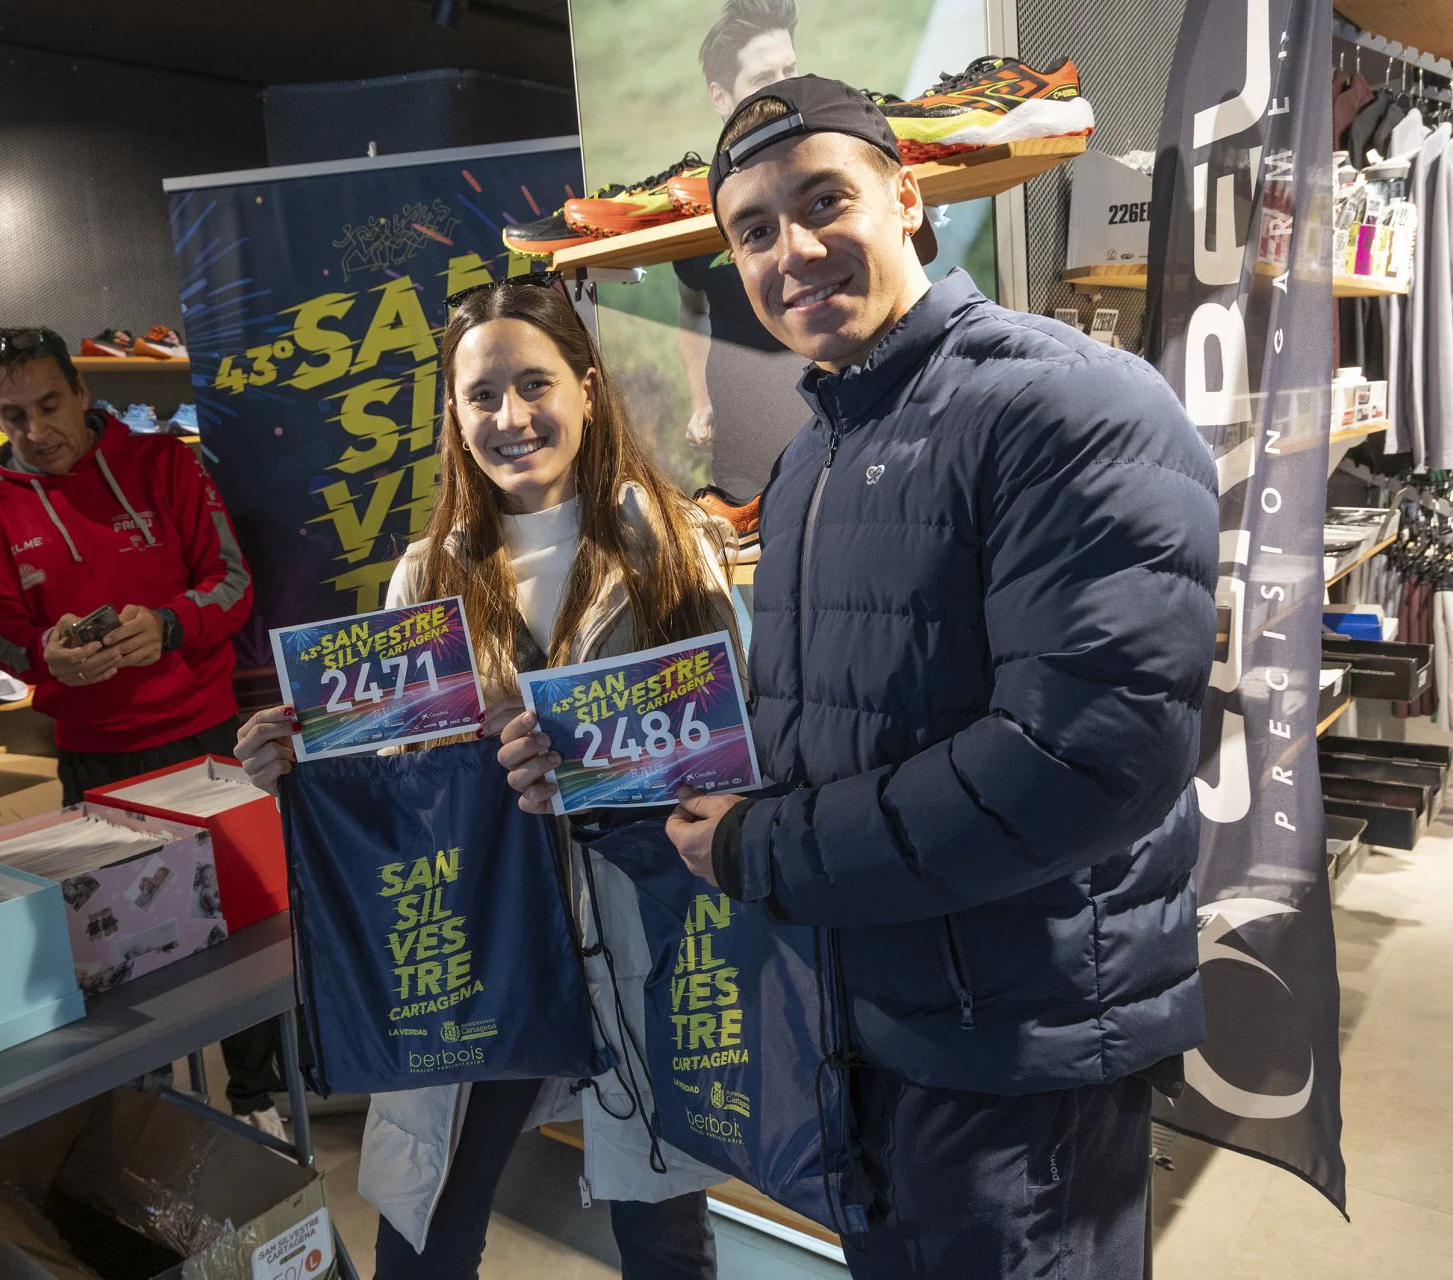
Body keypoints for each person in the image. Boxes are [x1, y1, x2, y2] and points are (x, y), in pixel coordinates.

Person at [507, 76, 1219, 1278]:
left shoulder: (1066, 405)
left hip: (1017, 1053)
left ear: (907, 198)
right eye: (754, 230)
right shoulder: (813, 459)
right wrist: (604, 778)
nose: (793, 250)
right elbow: (797, 758)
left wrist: (760, 849)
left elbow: (1082, 762)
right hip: (865, 1035)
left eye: (822, 200)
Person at [236, 277, 738, 1279]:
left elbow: (729, 760)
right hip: (482, 944)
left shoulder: (681, 548)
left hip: (642, 935)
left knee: (664, 1235)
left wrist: (580, 759)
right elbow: (398, 788)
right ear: (452, 413)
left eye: (534, 384)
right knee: (426, 1239)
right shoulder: (424, 578)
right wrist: (303, 760)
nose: (510, 418)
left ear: (589, 390)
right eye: (480, 395)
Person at [0, 327, 286, 1136]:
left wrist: (170, 626)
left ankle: (256, 1098)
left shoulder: (167, 463)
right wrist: (48, 656)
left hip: (201, 736)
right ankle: (145, 1111)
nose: (35, 432)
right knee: (114, 949)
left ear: (80, 393)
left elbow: (232, 584)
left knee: (242, 929)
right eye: (12, 415)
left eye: (47, 406)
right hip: (94, 753)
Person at [675, 0, 811, 503]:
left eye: (790, 70)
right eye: (763, 77)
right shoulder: (693, 206)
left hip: (839, 419)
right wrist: (700, 400)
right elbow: (691, 311)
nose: (784, 87)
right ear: (720, 95)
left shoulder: (836, 179)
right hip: (744, 442)